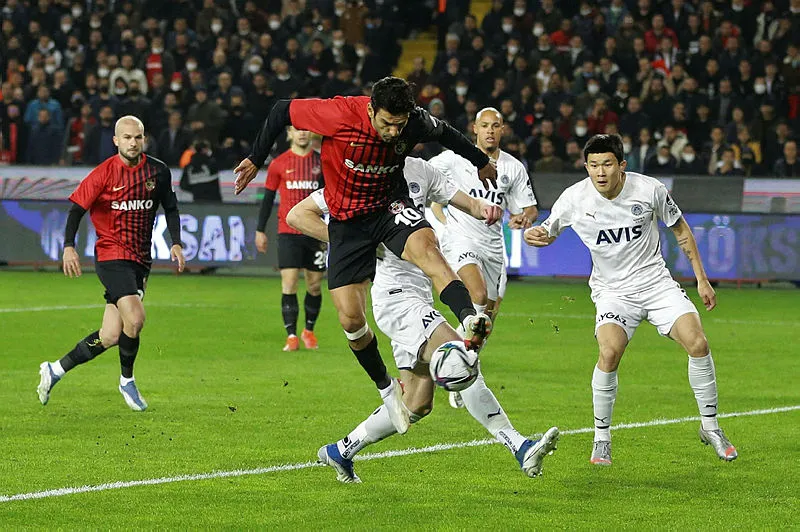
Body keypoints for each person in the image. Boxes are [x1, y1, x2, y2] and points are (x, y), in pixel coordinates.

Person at [233, 77, 498, 435]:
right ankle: (387, 388)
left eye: (399, 125)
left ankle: (469, 318)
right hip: (347, 222)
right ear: (371, 110)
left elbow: (448, 134)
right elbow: (282, 110)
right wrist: (255, 157)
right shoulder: (339, 113)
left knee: (429, 252)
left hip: (389, 208)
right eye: (386, 123)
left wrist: (480, 161)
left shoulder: (414, 121)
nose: (393, 132)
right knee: (350, 320)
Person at [286, 157, 559, 482]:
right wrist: (353, 243)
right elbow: (297, 214)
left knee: (416, 404)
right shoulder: (360, 178)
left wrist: (485, 209)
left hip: (419, 295)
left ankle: (340, 451)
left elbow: (466, 202)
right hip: (396, 299)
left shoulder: (420, 170)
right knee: (459, 358)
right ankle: (520, 447)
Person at [524, 134, 737, 465]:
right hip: (613, 292)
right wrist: (534, 236)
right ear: (586, 167)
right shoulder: (574, 198)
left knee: (698, 343)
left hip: (656, 285)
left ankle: (710, 427)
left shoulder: (649, 190)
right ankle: (601, 438)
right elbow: (547, 232)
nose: (600, 172)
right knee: (609, 352)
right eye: (593, 165)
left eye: (607, 164)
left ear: (622, 165)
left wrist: (702, 279)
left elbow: (681, 230)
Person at [37, 115, 185, 412]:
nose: (133, 142)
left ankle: (55, 369)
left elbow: (170, 207)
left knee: (111, 335)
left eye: (138, 137)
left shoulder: (158, 171)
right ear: (116, 140)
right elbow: (76, 210)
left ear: (144, 139)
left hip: (141, 260)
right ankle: (127, 381)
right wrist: (68, 246)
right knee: (136, 319)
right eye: (127, 137)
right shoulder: (103, 173)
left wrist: (176, 242)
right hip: (111, 256)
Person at [429, 107, 538, 408]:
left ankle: (459, 370)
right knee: (476, 295)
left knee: (486, 318)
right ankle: (452, 367)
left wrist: (524, 218)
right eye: (485, 125)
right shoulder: (453, 159)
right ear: (474, 129)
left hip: (493, 247)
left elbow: (528, 207)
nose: (490, 130)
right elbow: (422, 174)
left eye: (495, 126)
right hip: (461, 239)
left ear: (503, 130)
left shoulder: (513, 168)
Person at [255, 127, 326, 352]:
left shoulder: (322, 162)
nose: (302, 134)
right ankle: (292, 336)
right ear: (289, 133)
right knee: (289, 282)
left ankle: (309, 331)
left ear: (311, 133)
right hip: (288, 231)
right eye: (297, 130)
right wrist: (260, 230)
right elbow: (268, 199)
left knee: (314, 285)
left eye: (306, 130)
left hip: (315, 231)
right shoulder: (279, 164)